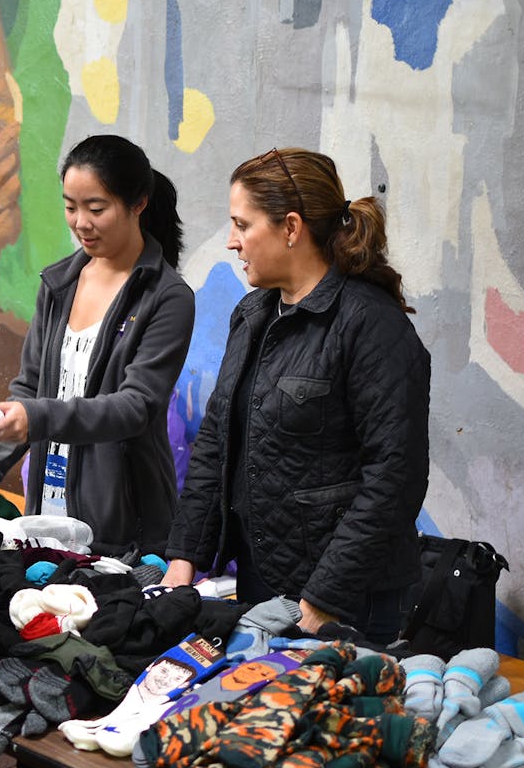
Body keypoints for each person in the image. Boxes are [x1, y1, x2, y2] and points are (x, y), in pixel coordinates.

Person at [0, 134, 194, 768]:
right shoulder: (60, 280)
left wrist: (37, 414)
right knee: (37, 639)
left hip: (123, 511)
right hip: (48, 502)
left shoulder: (166, 297)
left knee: (111, 657)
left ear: (138, 203)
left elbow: (135, 407)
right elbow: (29, 389)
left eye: (97, 207)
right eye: (70, 207)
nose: (82, 223)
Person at [162, 147, 430, 641]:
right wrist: (183, 562)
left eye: (243, 225)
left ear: (290, 228)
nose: (231, 242)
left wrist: (321, 601)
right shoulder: (251, 315)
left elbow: (395, 477)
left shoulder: (370, 325)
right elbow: (217, 444)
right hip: (262, 582)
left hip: (350, 600)